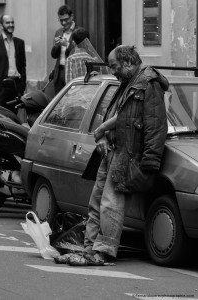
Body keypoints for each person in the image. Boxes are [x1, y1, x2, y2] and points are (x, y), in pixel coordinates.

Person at [80, 45, 169, 265]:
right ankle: (89, 249)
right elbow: (122, 116)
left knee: (110, 203)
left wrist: (149, 161)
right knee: (97, 201)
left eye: (114, 66)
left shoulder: (149, 84)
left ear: (128, 62)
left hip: (127, 154)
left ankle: (103, 251)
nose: (113, 71)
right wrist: (103, 132)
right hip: (113, 151)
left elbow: (156, 127)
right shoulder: (128, 83)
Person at [0, 15, 26, 113]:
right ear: (1, 26)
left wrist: (22, 87)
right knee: (1, 118)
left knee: (14, 117)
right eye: (8, 23)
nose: (11, 25)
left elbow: (23, 66)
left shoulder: (20, 43)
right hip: (0, 88)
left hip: (15, 86)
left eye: (12, 22)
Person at [51, 4, 77, 94]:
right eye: (61, 20)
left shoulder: (78, 31)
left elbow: (81, 52)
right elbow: (53, 55)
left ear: (72, 17)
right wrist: (55, 45)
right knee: (58, 104)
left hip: (72, 73)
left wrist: (67, 45)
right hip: (59, 73)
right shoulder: (58, 32)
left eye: (66, 20)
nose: (63, 23)